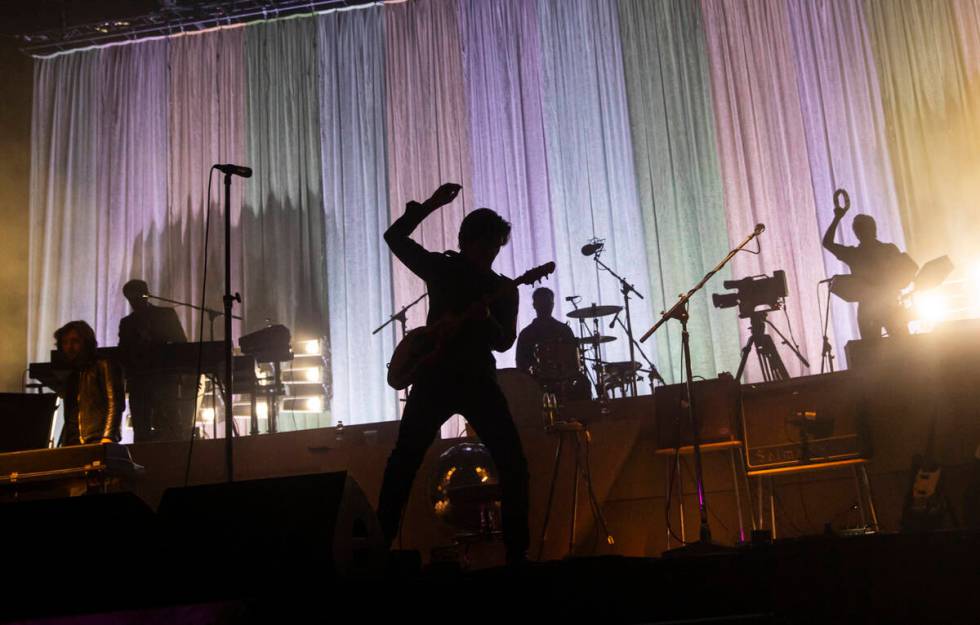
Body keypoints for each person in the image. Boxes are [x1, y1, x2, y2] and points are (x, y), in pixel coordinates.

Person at [377, 183, 530, 564]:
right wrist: (428, 205)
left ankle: (517, 555)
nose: (491, 252)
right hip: (438, 376)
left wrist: (488, 321)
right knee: (405, 458)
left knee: (511, 461)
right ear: (468, 242)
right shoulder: (444, 268)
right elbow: (394, 237)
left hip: (475, 378)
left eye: (496, 245)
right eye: (486, 244)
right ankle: (377, 548)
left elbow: (503, 342)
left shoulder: (502, 289)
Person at [823, 210, 917, 339]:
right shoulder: (888, 249)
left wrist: (837, 217)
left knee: (872, 352)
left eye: (858, 229)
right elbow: (908, 270)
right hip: (891, 304)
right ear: (874, 229)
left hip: (868, 309)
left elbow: (827, 243)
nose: (858, 232)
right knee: (905, 345)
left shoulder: (855, 255)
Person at [118, 279, 189, 442]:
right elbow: (123, 352)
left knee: (171, 424)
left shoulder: (166, 315)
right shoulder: (127, 323)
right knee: (141, 426)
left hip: (165, 377)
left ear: (146, 295)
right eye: (130, 298)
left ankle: (175, 458)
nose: (133, 301)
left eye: (136, 297)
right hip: (140, 381)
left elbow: (181, 343)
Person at [54, 320, 123, 446]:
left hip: (97, 438)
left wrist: (108, 436)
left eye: (75, 341)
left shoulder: (104, 365)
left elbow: (115, 403)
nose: (69, 347)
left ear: (86, 343)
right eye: (65, 343)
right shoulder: (72, 376)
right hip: (73, 442)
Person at [515, 287, 576, 375]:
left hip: (564, 379)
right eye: (542, 303)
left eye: (548, 302)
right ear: (534, 305)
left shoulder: (564, 330)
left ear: (553, 304)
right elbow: (521, 365)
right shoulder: (526, 334)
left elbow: (573, 361)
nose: (545, 306)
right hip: (535, 382)